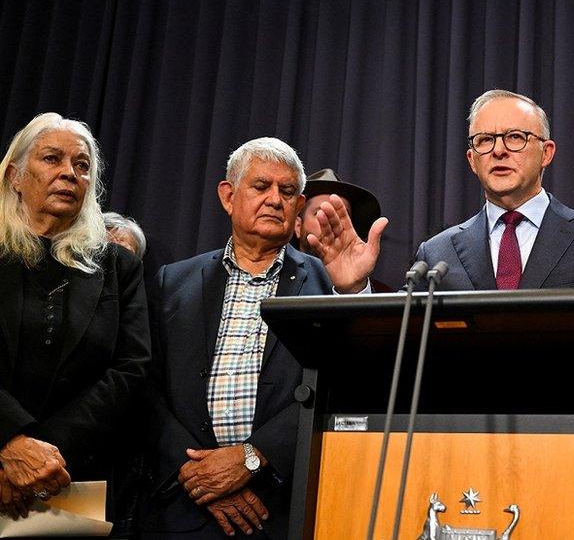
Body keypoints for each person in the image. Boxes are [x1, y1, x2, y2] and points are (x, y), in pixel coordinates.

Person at [142, 138, 359, 538]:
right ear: (228, 196)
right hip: (183, 505)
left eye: (288, 191)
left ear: (299, 206)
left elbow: (342, 381)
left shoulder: (326, 282)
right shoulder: (173, 280)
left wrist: (252, 459)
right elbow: (145, 387)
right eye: (261, 187)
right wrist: (198, 475)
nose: (275, 199)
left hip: (279, 506)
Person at [309, 89, 574, 299]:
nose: (498, 151)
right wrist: (355, 290)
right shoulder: (435, 253)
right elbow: (396, 351)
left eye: (515, 137)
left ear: (547, 152)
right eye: (485, 141)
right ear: (471, 160)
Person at [0, 112, 150, 520]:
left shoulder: (119, 267)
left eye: (82, 166)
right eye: (52, 159)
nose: (69, 173)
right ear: (15, 175)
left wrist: (40, 453)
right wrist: (8, 444)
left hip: (73, 479)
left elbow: (131, 369)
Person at [294, 168, 380, 256]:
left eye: (342, 215)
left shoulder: (360, 270)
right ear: (298, 226)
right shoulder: (282, 268)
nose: (333, 221)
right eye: (322, 213)